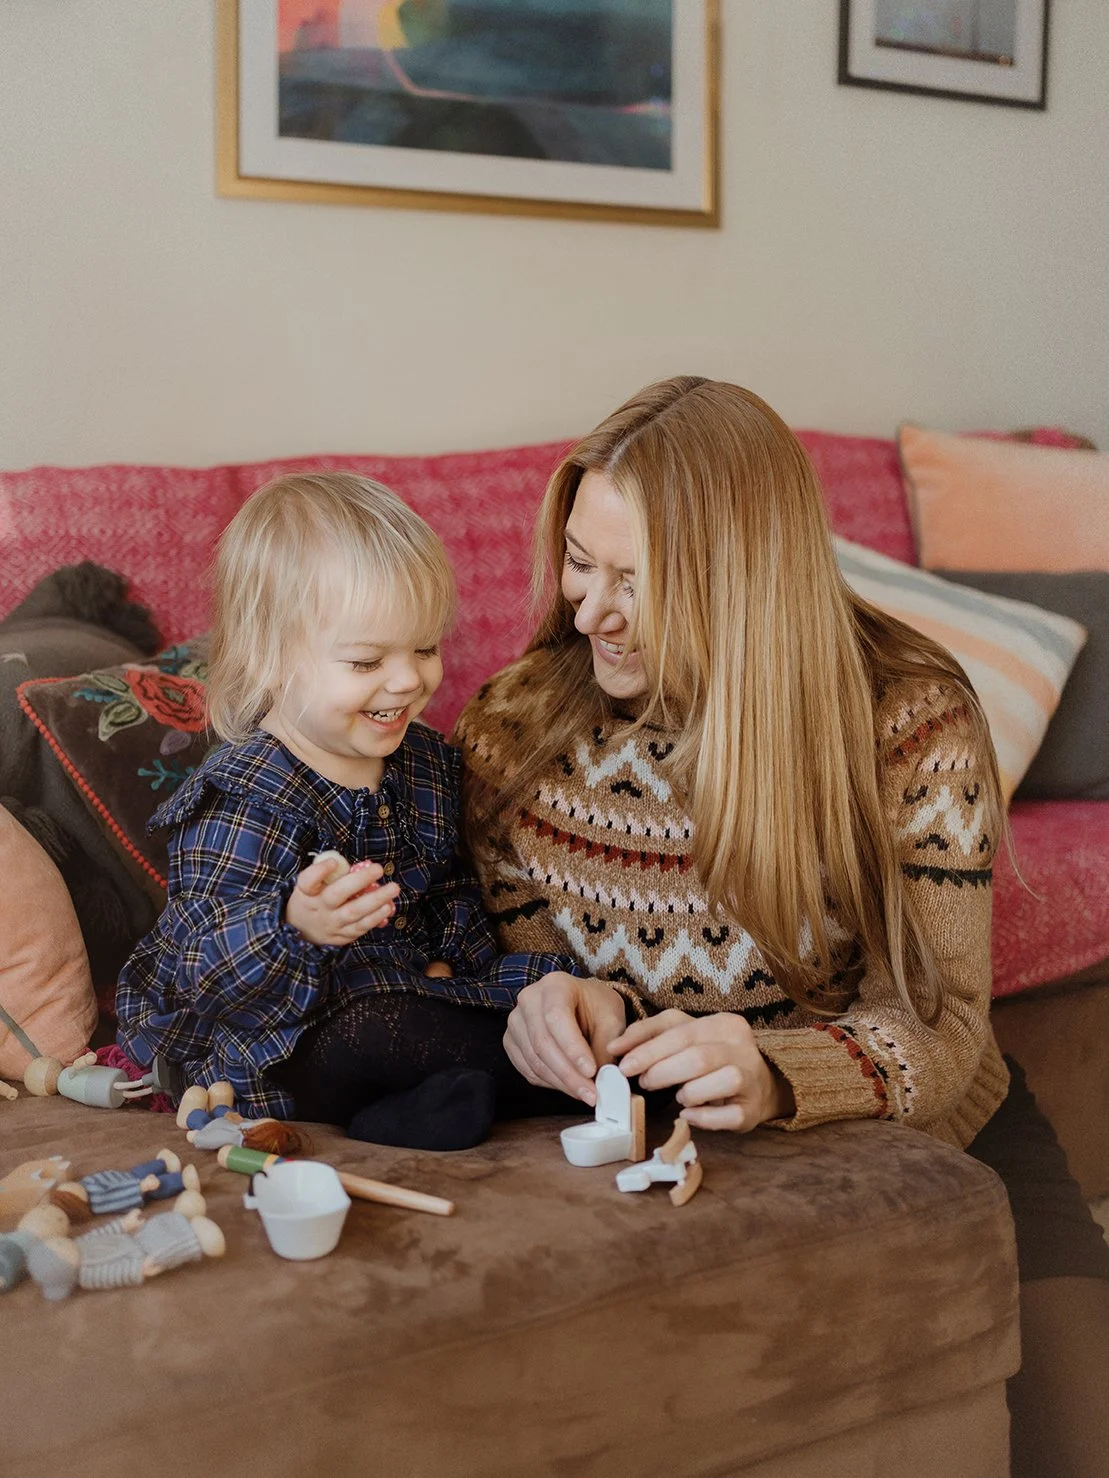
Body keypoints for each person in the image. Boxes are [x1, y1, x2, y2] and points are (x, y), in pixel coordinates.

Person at [454, 377, 1109, 1478]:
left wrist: (777, 1068)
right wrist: (536, 1006)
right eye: (577, 558)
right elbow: (518, 967)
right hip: (676, 1177)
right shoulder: (515, 732)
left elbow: (943, 1025)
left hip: (937, 1132)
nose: (586, 611)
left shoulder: (907, 715)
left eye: (632, 580)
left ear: (737, 580)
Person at [114, 473, 578, 1149]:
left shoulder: (424, 763)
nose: (407, 680)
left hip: (408, 987)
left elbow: (449, 886)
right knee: (376, 1032)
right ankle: (584, 1081)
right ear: (270, 663)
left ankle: (414, 1111)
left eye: (424, 649)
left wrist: (456, 959)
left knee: (552, 985)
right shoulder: (246, 795)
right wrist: (294, 924)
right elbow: (201, 969)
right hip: (282, 1031)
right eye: (366, 662)